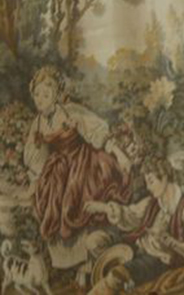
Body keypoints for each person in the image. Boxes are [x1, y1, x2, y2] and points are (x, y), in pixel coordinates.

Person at [23, 66, 133, 272]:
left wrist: (119, 154)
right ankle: (71, 264)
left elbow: (96, 132)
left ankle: (91, 260)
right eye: (37, 94)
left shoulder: (70, 112)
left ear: (56, 95)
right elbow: (37, 158)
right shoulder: (37, 124)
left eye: (46, 94)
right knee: (52, 202)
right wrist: (35, 181)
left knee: (78, 199)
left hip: (82, 161)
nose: (40, 99)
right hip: (58, 168)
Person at [84, 157, 184, 294]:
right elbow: (130, 215)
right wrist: (104, 208)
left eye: (151, 181)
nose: (148, 187)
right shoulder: (153, 202)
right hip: (136, 245)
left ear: (164, 178)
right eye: (147, 183)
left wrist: (180, 245)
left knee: (115, 276)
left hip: (157, 259)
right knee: (94, 241)